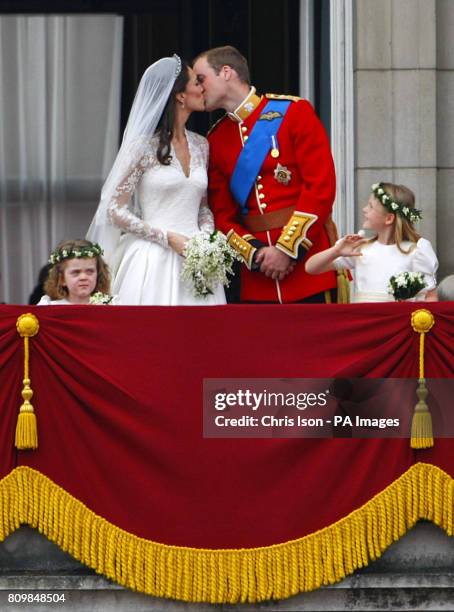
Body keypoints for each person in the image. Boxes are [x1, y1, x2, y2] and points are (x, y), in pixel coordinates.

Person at [193, 46, 337, 303]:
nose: (197, 87)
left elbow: (320, 188)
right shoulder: (216, 139)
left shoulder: (294, 112)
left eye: (201, 78)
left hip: (308, 267)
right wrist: (257, 254)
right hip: (259, 278)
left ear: (226, 72)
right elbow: (222, 215)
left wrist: (286, 249)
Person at [87, 55, 225, 306]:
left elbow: (202, 207)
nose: (203, 88)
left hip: (197, 259)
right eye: (197, 82)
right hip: (152, 257)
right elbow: (113, 208)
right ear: (180, 95)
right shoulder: (142, 147)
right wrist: (166, 237)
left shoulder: (202, 145)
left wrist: (206, 239)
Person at [305, 182, 438, 302]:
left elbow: (430, 296)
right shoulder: (361, 248)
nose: (364, 209)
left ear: (389, 219)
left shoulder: (416, 251)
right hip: (364, 322)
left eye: (370, 206)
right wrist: (336, 251)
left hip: (398, 324)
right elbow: (311, 268)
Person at [38, 239, 120, 305]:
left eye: (90, 271)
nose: (83, 277)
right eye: (76, 272)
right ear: (62, 279)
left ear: (98, 275)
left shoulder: (111, 305)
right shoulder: (49, 306)